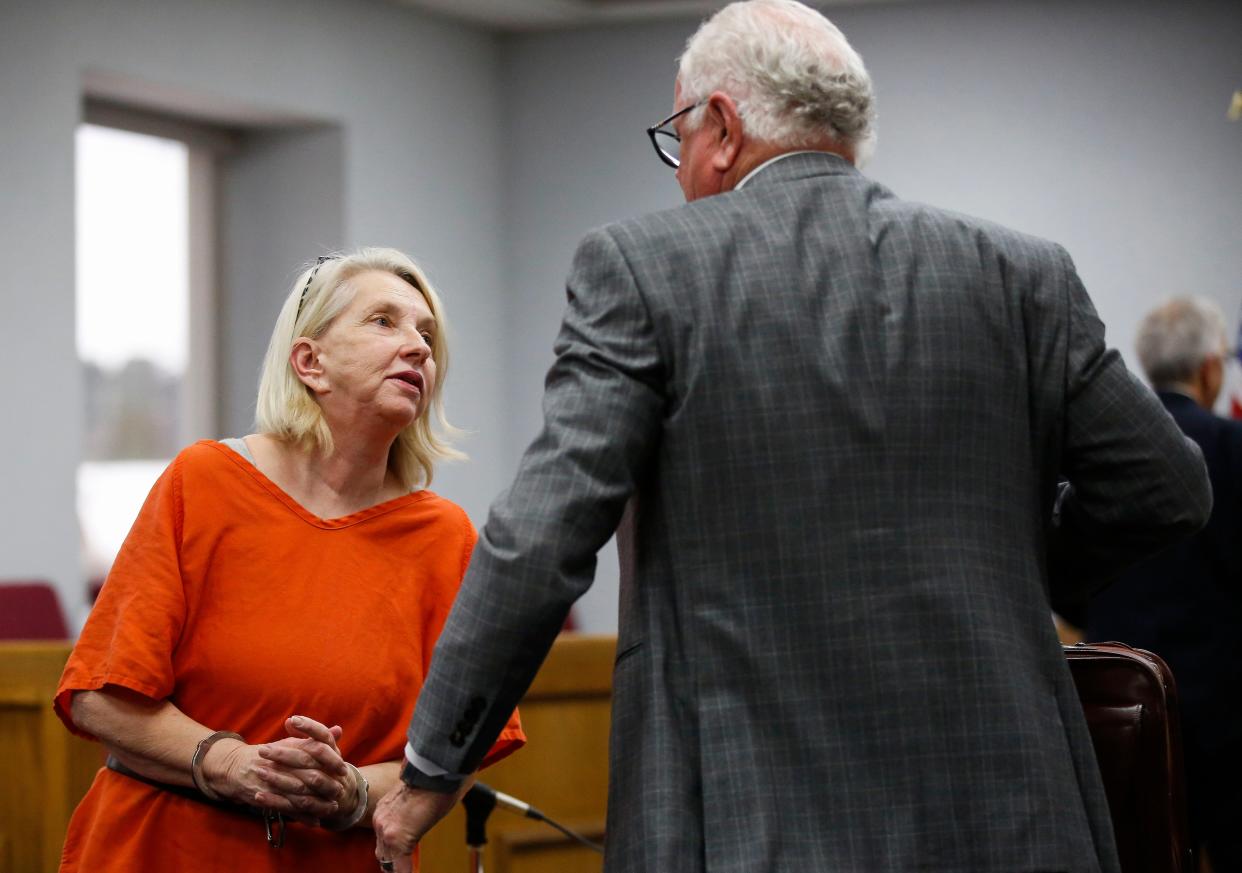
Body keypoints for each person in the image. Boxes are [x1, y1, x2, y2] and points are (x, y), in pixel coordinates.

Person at [373, 2, 1211, 871]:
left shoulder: (647, 268)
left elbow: (542, 537)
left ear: (723, 128)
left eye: (679, 138)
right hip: (1015, 822)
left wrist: (437, 760)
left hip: (747, 824)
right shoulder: (1021, 273)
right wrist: (1027, 566)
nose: (680, 172)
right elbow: (1168, 486)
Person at [55, 247, 524, 873]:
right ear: (310, 362)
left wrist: (351, 792)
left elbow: (457, 758)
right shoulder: (204, 482)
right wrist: (230, 763)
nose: (417, 347)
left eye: (427, 335)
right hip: (162, 849)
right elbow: (98, 698)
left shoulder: (446, 537)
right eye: (384, 321)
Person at [1088, 297, 1242, 873]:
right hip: (1228, 713)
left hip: (1127, 706)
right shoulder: (1231, 446)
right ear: (1209, 367)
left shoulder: (1106, 452)